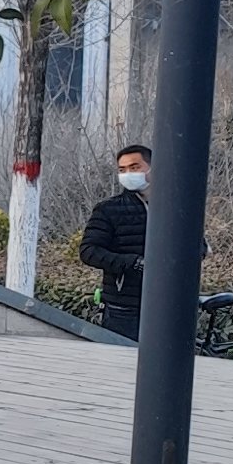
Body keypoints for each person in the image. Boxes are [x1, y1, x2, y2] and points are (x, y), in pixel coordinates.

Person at [79, 143, 152, 338]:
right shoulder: (108, 209)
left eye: (135, 167)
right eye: (122, 169)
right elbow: (89, 251)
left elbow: (198, 246)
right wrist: (133, 263)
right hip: (123, 306)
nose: (128, 173)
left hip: (169, 304)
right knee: (122, 362)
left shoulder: (175, 207)